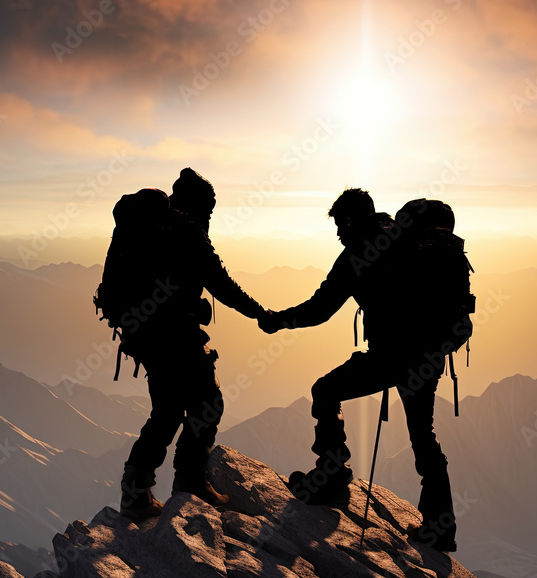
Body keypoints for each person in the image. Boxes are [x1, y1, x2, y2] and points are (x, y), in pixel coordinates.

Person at [257, 189, 473, 552]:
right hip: (430, 353)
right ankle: (440, 525)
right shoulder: (408, 239)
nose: (339, 234)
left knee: (325, 391)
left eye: (341, 225)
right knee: (423, 434)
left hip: (392, 356)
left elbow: (320, 309)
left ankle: (331, 473)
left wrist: (278, 321)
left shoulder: (359, 252)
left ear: (351, 220)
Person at [99, 168, 266, 521]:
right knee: (209, 402)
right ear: (200, 206)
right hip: (174, 334)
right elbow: (224, 286)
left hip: (142, 335)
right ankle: (190, 481)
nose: (208, 219)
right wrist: (262, 314)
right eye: (208, 211)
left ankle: (136, 494)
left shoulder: (145, 228)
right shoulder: (188, 233)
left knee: (168, 409)